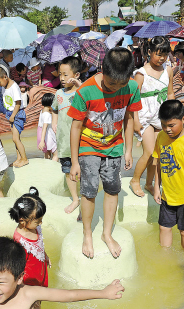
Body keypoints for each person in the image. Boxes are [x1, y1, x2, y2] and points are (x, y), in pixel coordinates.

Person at [68, 47, 142, 259]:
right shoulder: (86, 91)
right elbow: (75, 127)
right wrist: (74, 161)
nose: (116, 88)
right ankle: (87, 233)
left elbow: (128, 118)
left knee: (112, 189)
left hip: (115, 146)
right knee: (89, 190)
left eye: (121, 84)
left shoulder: (132, 87)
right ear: (103, 71)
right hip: (88, 146)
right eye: (111, 84)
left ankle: (107, 234)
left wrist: (128, 150)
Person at [152, 100, 184, 249]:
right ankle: (165, 259)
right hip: (168, 195)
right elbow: (159, 164)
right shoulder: (161, 137)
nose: (167, 129)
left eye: (171, 125)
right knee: (163, 227)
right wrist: (157, 187)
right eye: (163, 125)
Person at [130, 36, 175, 198]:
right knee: (149, 151)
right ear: (149, 52)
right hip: (144, 117)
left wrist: (175, 115)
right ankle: (135, 180)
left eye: (165, 54)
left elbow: (170, 93)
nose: (162, 58)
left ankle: (149, 183)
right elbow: (134, 99)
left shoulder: (167, 70)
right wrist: (135, 120)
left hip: (161, 116)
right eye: (158, 54)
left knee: (158, 155)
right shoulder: (141, 74)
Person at [8, 186, 51, 309]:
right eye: (38, 221)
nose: (41, 223)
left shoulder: (34, 228)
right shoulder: (19, 242)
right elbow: (15, 268)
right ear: (22, 221)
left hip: (39, 273)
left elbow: (39, 245)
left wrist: (44, 256)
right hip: (28, 282)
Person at [52, 56, 82, 214]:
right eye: (60, 75)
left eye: (65, 75)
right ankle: (75, 198)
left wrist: (80, 87)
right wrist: (54, 122)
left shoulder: (82, 91)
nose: (62, 78)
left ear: (76, 75)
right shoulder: (58, 94)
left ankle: (85, 196)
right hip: (64, 142)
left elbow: (90, 103)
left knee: (84, 169)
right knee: (67, 169)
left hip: (81, 141)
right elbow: (54, 109)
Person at [0, 66, 29, 168]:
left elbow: (18, 103)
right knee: (15, 138)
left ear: (5, 76)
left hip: (16, 114)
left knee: (15, 138)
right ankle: (19, 158)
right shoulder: (5, 87)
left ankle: (24, 159)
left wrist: (12, 115)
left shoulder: (14, 87)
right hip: (11, 114)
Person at [37, 92, 57, 160]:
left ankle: (46, 168)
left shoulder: (42, 111)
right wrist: (42, 141)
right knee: (56, 154)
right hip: (48, 137)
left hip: (42, 136)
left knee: (47, 154)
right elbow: (44, 128)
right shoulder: (47, 114)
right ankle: (53, 168)